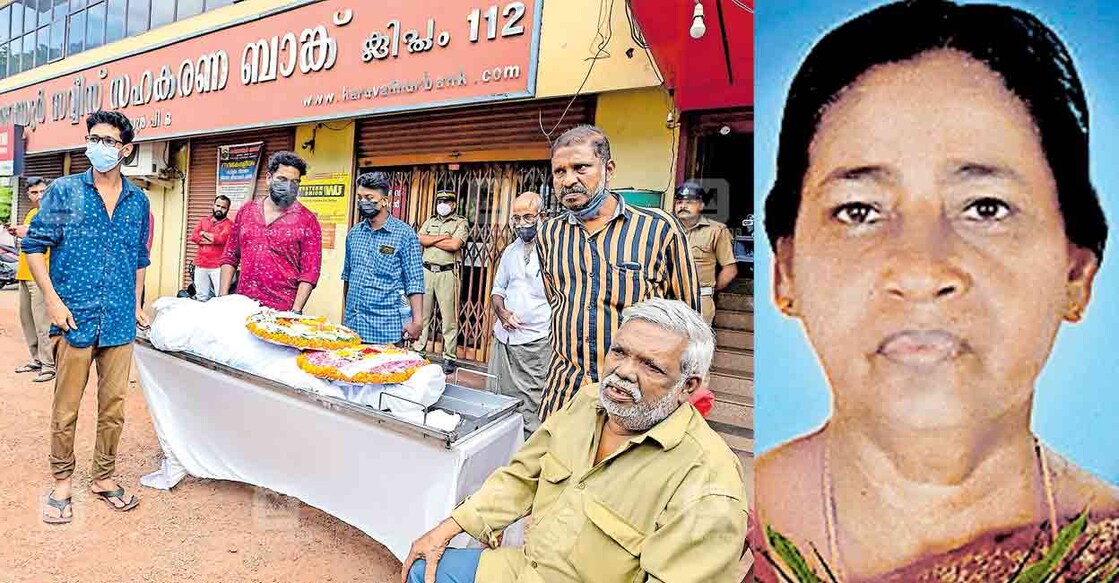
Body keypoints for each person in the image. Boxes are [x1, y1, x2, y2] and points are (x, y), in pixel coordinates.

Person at [754, 2, 1119, 581]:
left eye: (986, 208)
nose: (922, 271)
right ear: (786, 271)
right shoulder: (709, 517)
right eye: (858, 211)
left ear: (1076, 272)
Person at [402, 298, 748, 583]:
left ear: (687, 387)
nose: (624, 371)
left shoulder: (709, 483)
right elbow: (522, 477)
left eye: (651, 366)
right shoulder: (588, 402)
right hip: (527, 571)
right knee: (424, 571)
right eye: (619, 352)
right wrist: (450, 527)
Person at [22, 110, 152, 523]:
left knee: (113, 406)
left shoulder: (138, 201)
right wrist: (53, 301)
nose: (98, 146)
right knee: (67, 407)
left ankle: (103, 476)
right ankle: (61, 481)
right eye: (93, 138)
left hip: (117, 321)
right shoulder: (66, 193)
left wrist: (135, 303)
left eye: (109, 141)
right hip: (73, 318)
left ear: (126, 149)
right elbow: (34, 248)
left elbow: (139, 258)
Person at [537, 125, 701, 420]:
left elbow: (689, 323)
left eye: (581, 168)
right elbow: (557, 301)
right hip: (564, 393)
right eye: (559, 172)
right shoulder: (548, 234)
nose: (568, 180)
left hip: (635, 397)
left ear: (608, 169)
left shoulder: (658, 229)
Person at [218, 151, 322, 312]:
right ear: (268, 178)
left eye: (295, 182)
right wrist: (223, 298)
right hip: (241, 306)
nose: (288, 186)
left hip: (281, 310)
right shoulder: (247, 210)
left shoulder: (307, 220)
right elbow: (231, 255)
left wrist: (295, 311)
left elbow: (310, 272)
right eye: (282, 179)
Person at [486, 192, 552, 436]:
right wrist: (502, 313)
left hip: (535, 342)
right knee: (496, 397)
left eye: (528, 217)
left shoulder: (554, 252)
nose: (522, 224)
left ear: (541, 217)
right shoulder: (510, 251)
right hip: (503, 340)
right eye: (516, 218)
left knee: (531, 405)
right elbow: (497, 290)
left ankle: (526, 455)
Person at [342, 172, 424, 344]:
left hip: (386, 330)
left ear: (385, 201)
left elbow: (414, 281)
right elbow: (347, 278)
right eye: (360, 197)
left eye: (369, 197)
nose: (363, 202)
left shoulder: (404, 234)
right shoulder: (354, 234)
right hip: (353, 328)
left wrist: (417, 322)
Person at [413, 190, 469, 374]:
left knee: (448, 318)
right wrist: (441, 238)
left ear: (453, 205)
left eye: (446, 201)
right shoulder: (430, 221)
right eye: (440, 201)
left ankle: (449, 357)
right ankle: (419, 351)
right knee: (423, 315)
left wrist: (431, 241)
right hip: (426, 271)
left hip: (447, 274)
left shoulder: (460, 222)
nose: (442, 204)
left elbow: (454, 245)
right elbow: (419, 238)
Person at [674, 181, 739, 324]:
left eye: (689, 202)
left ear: (701, 206)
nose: (682, 206)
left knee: (697, 344)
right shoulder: (667, 228)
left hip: (700, 301)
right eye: (679, 202)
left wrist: (708, 290)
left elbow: (730, 270)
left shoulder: (716, 231)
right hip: (669, 300)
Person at [10, 177, 55, 383]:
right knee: (27, 321)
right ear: (28, 195)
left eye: (42, 191)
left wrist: (25, 230)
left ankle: (49, 365)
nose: (39, 196)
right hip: (24, 274)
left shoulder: (54, 214)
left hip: (41, 276)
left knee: (43, 323)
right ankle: (36, 359)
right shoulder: (31, 213)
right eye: (34, 193)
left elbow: (51, 234)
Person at [187, 195, 232, 301]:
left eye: (223, 207)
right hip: (201, 264)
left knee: (220, 298)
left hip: (218, 266)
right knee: (201, 296)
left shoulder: (229, 224)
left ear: (227, 209)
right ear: (213, 205)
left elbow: (221, 239)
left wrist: (203, 233)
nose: (219, 209)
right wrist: (212, 240)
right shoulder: (204, 221)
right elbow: (194, 236)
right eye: (218, 205)